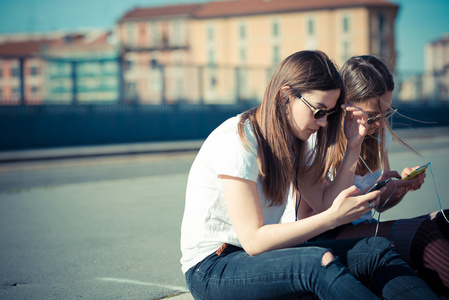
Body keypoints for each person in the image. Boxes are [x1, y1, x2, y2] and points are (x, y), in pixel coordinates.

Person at [180, 50, 438, 300]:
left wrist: (354, 146)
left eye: (329, 113)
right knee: (315, 262)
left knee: (375, 249)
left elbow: (327, 202)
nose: (324, 122)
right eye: (318, 111)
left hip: (258, 258)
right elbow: (254, 241)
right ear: (286, 96)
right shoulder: (238, 140)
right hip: (214, 266)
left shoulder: (295, 141)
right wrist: (329, 219)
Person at [283, 55, 449, 297]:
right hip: (322, 234)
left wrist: (397, 188)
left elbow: (379, 206)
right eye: (372, 115)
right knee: (423, 232)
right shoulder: (316, 139)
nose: (379, 123)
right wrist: (356, 151)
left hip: (362, 226)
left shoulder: (378, 135)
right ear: (344, 106)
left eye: (385, 113)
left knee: (443, 221)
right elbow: (318, 214)